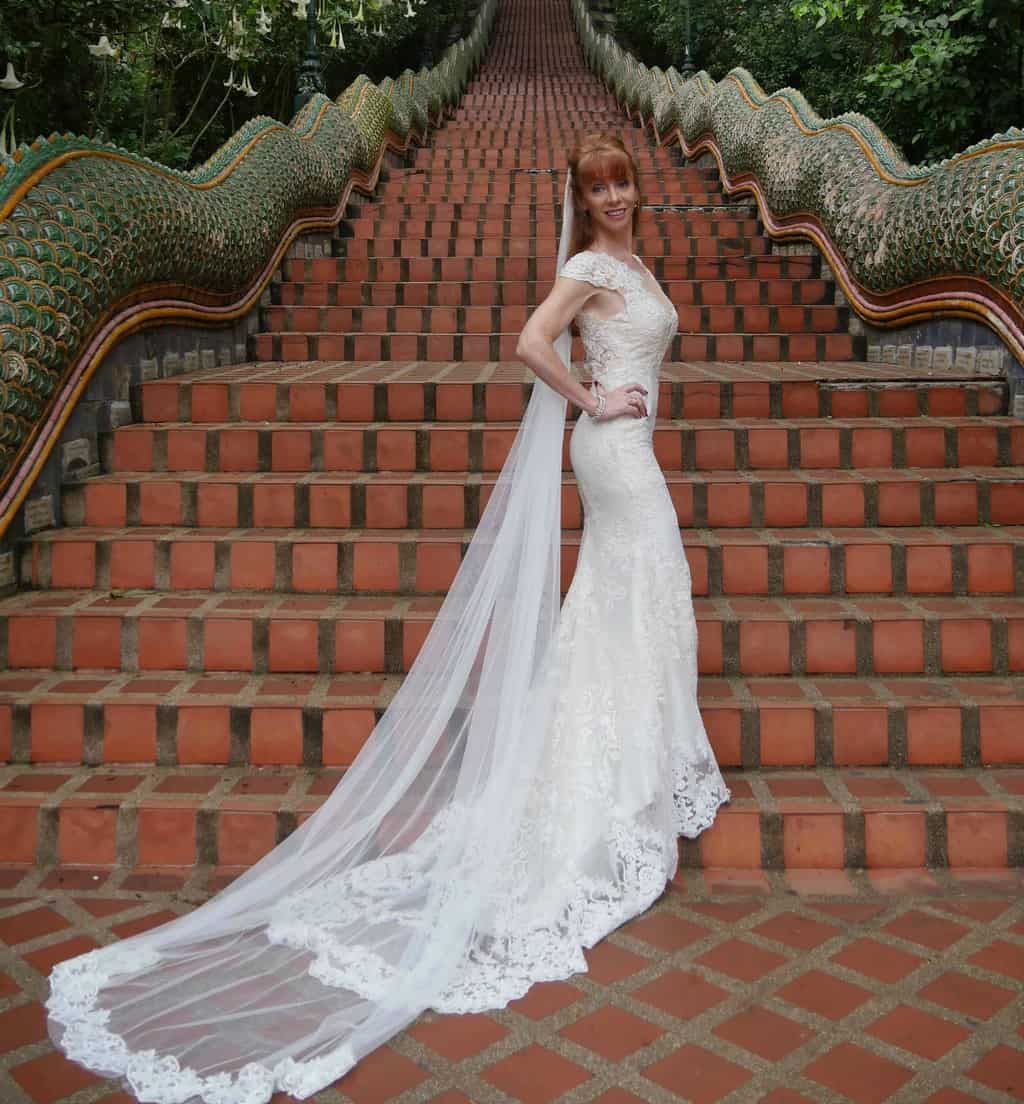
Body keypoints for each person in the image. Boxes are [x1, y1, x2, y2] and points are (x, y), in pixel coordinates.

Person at [46, 131, 729, 1104]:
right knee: (647, 583)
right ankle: (613, 776)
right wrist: (593, 399)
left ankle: (626, 758)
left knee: (630, 598)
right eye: (598, 187)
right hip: (613, 452)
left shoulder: (633, 264)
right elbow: (529, 342)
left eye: (622, 182)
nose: (614, 196)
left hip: (629, 448)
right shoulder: (587, 267)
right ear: (581, 198)